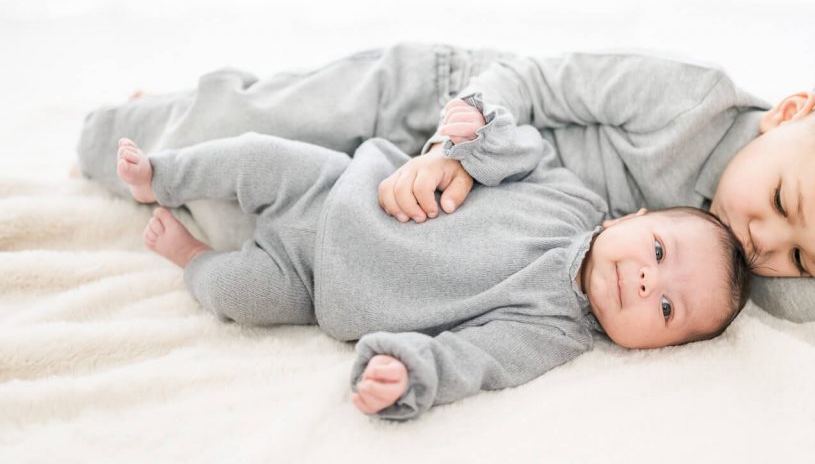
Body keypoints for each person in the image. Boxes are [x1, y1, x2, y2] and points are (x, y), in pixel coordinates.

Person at [76, 44, 815, 321]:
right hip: (447, 108)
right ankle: (124, 121)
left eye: (806, 259)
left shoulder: (751, 263)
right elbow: (532, 82)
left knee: (239, 221)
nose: (766, 244)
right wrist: (445, 146)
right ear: (791, 112)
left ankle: (188, 110)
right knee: (244, 127)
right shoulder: (689, 102)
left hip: (423, 212)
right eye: (785, 208)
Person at [113, 92, 751, 420]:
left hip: (314, 287)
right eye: (659, 251)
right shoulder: (572, 197)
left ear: (658, 349)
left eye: (668, 307)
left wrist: (409, 372)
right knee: (255, 153)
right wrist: (478, 128)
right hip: (339, 188)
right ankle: (163, 176)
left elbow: (471, 359)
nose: (645, 281)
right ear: (633, 217)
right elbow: (518, 149)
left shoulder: (553, 333)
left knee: (240, 295)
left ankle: (191, 257)